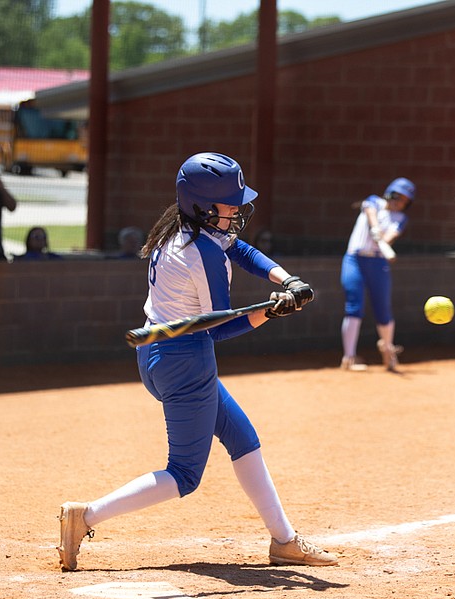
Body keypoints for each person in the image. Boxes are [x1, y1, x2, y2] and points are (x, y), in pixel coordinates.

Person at [57, 152, 336, 571]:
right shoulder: (199, 252)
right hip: (184, 358)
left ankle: (284, 540)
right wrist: (270, 312)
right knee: (185, 474)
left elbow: (239, 250)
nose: (238, 210)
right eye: (229, 203)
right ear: (204, 206)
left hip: (165, 352)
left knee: (242, 437)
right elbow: (217, 329)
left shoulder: (185, 228)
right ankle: (86, 517)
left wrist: (286, 280)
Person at [339, 177, 415, 372]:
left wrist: (381, 239)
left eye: (404, 201)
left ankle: (388, 352)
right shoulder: (374, 201)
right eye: (397, 197)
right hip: (354, 259)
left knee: (383, 309)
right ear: (390, 194)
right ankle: (349, 357)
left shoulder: (400, 218)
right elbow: (371, 213)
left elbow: (389, 238)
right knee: (354, 305)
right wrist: (374, 230)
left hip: (377, 261)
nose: (399, 203)